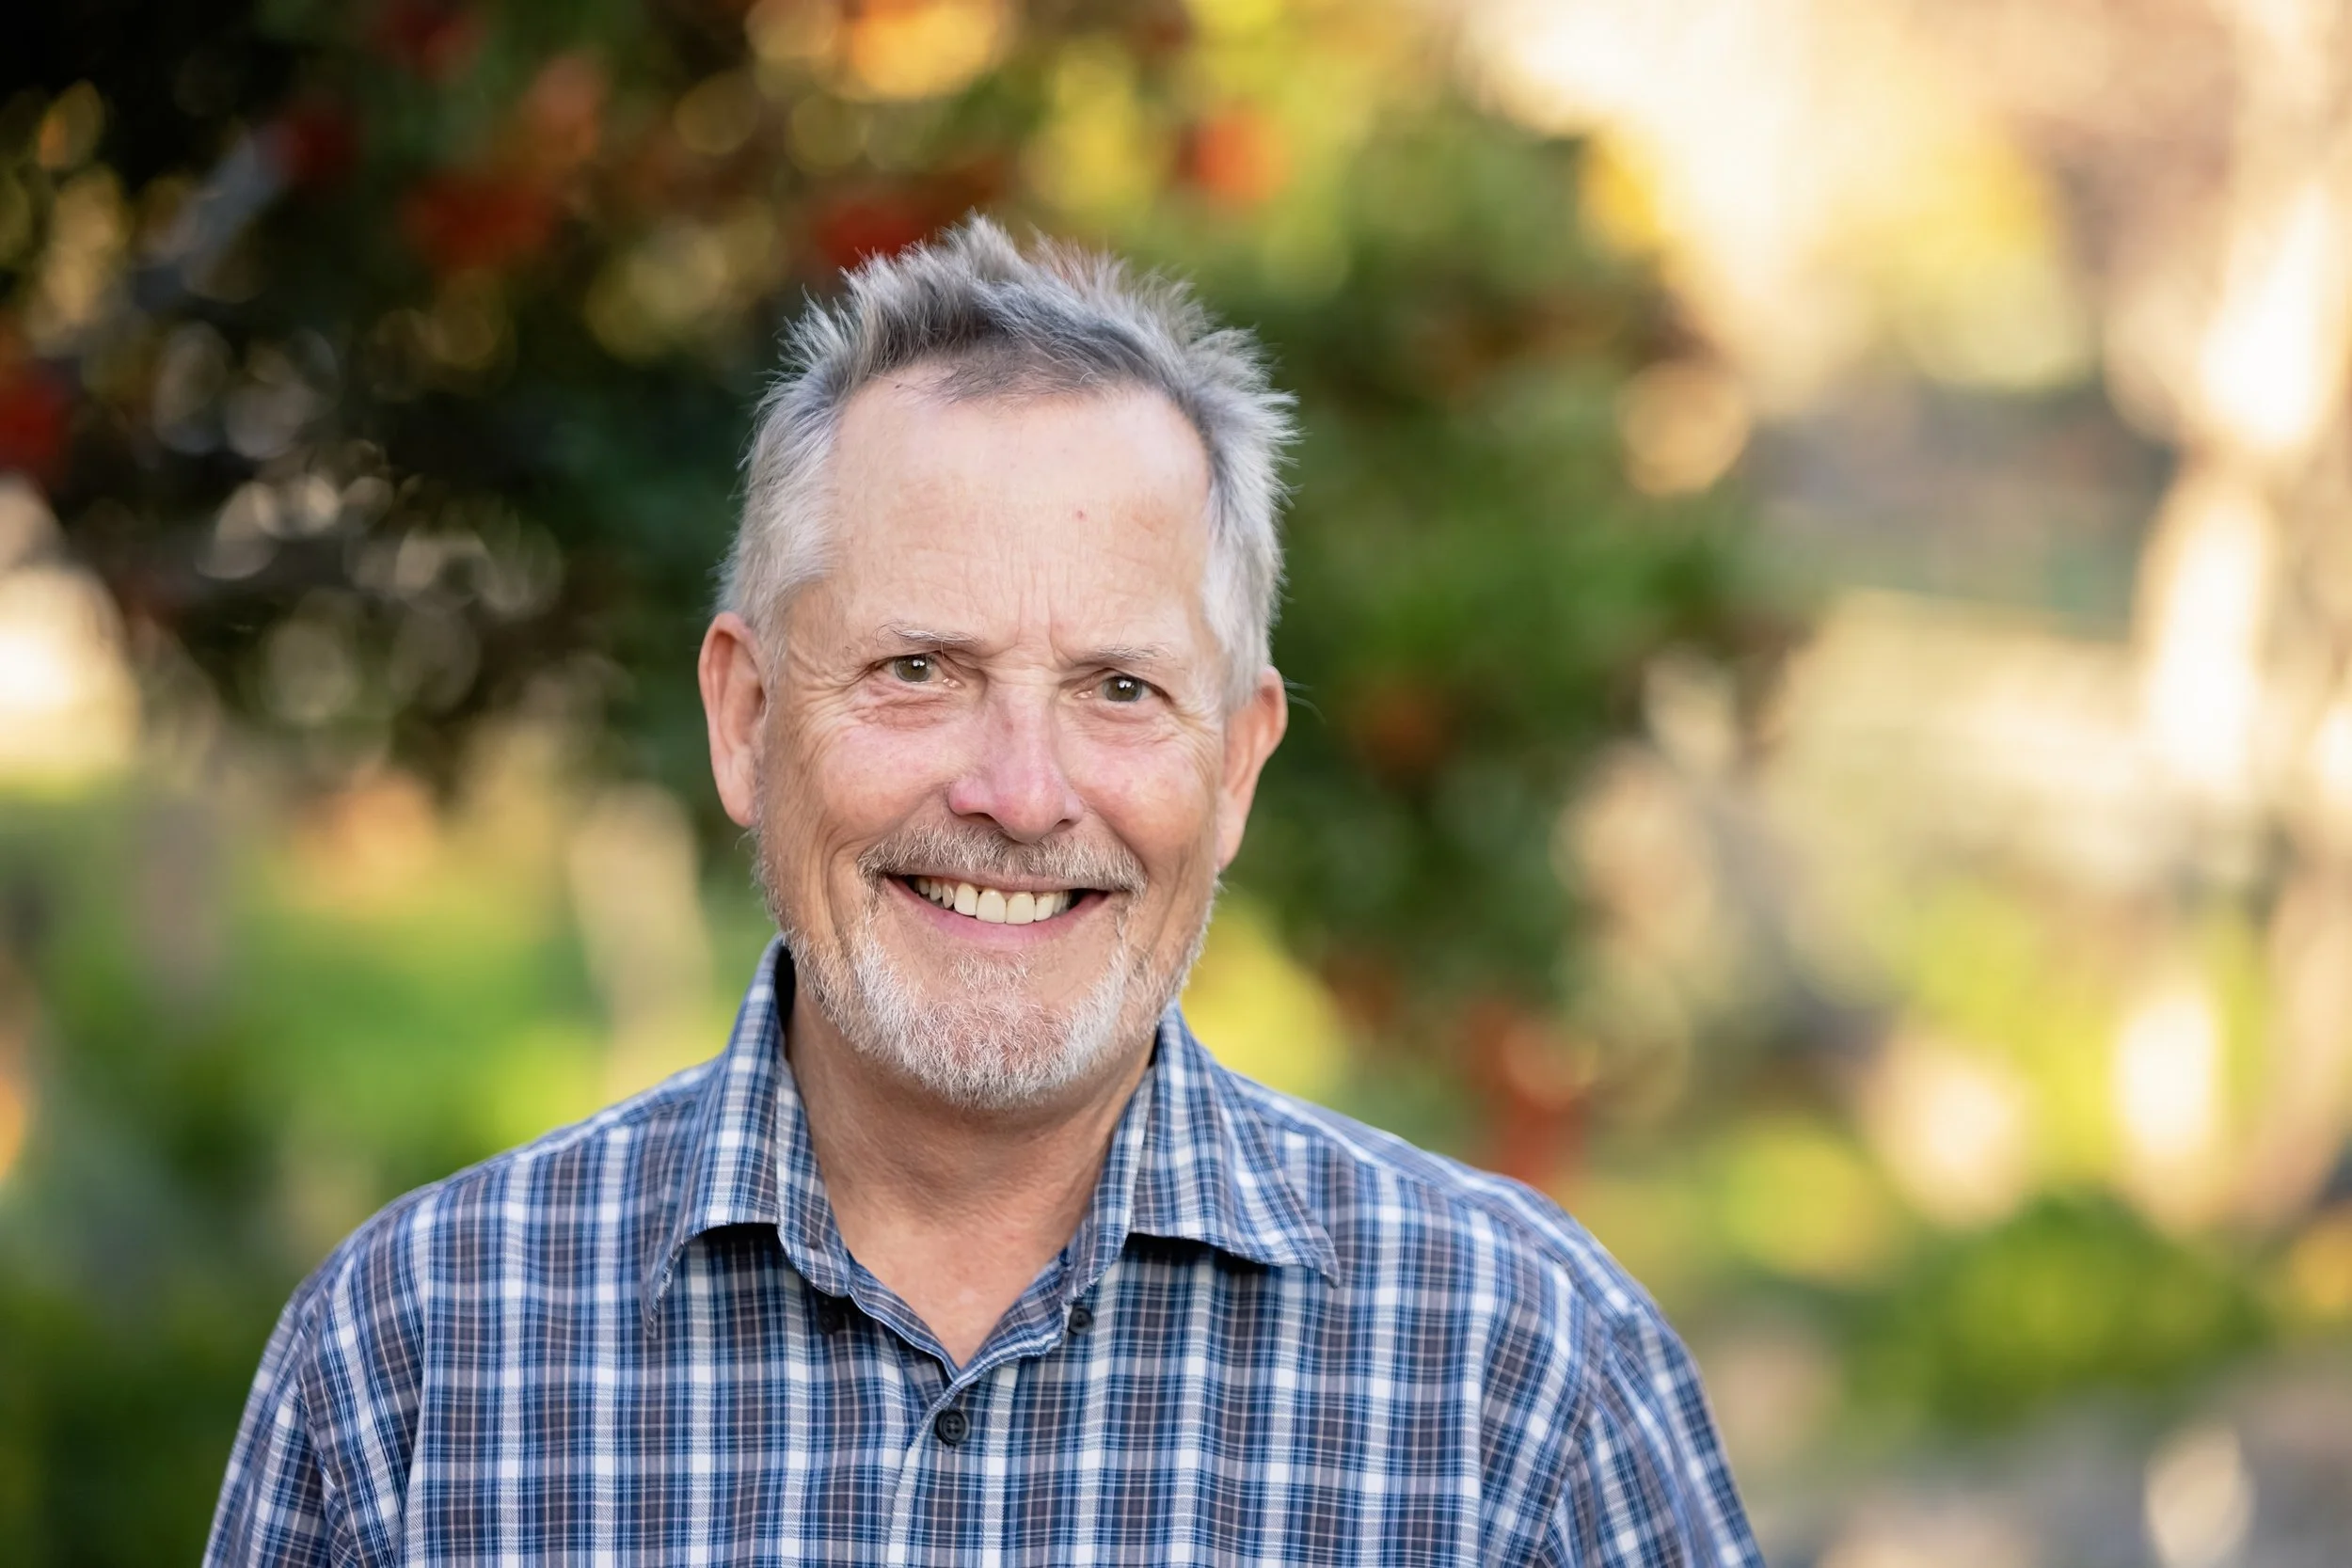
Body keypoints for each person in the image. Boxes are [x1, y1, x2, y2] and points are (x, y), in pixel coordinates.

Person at [206, 218, 1761, 1566]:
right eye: (917, 668)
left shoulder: (1528, 1378)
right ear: (747, 719)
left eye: (1120, 689)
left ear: (1234, 765)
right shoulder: (414, 1362)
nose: (1019, 791)